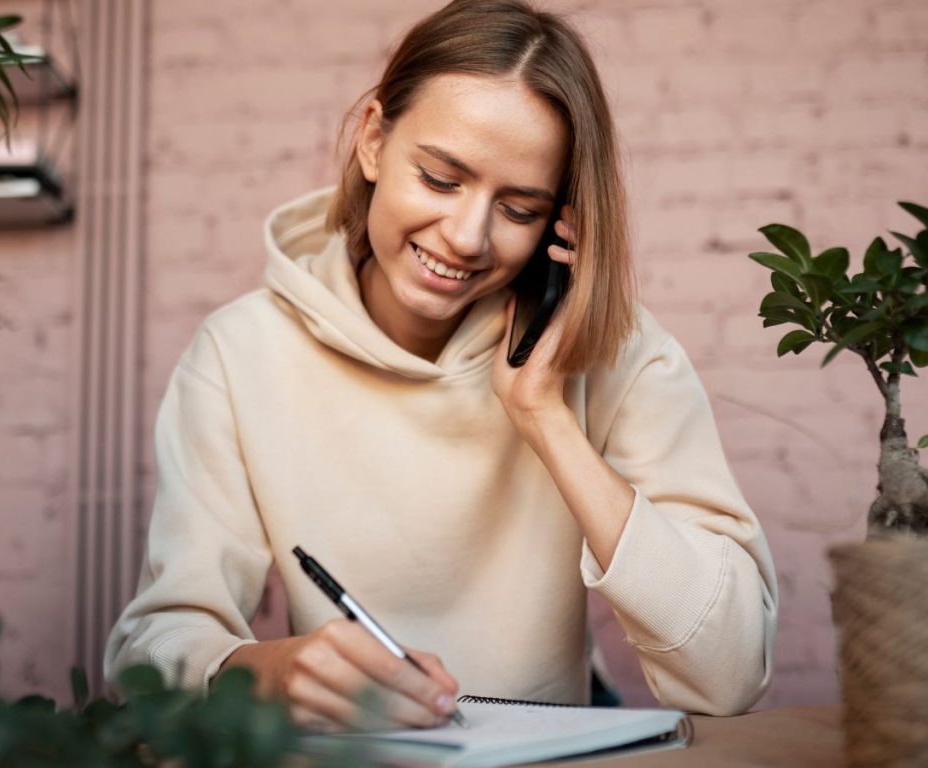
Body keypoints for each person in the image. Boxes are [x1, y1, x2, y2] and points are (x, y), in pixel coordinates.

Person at [105, 0, 777, 732]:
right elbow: (151, 655)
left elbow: (730, 672)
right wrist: (272, 675)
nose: (465, 237)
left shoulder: (618, 354)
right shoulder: (239, 355)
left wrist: (545, 416)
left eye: (519, 210)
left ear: (558, 220)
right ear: (371, 140)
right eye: (440, 178)